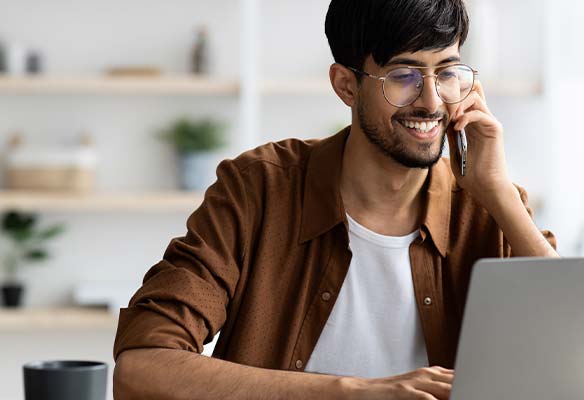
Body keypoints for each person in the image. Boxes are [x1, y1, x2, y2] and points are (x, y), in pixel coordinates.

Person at [112, 0, 558, 398]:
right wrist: (353, 392)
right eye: (402, 76)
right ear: (346, 85)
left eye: (446, 73)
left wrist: (498, 193)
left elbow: (576, 355)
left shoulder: (489, 203)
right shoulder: (258, 189)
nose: (431, 101)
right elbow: (141, 368)